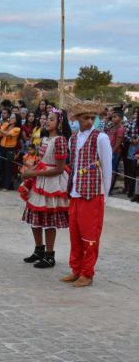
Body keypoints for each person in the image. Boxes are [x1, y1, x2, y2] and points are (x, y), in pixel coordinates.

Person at [61, 98, 112, 288]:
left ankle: (87, 273)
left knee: (90, 237)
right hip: (75, 194)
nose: (90, 121)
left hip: (92, 195)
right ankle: (76, 269)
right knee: (75, 234)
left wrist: (104, 195)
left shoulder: (101, 138)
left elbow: (107, 169)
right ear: (77, 119)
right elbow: (73, 166)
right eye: (86, 118)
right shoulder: (72, 139)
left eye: (93, 118)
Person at [19, 108, 71, 269]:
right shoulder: (45, 139)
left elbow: (59, 168)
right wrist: (30, 169)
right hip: (40, 179)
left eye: (52, 119)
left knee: (48, 219)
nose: (47, 121)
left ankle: (50, 255)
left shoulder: (60, 140)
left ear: (60, 122)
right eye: (47, 118)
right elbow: (41, 160)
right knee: (35, 217)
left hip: (52, 183)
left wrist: (34, 172)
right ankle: (38, 250)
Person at [0, 113, 22, 190]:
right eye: (11, 117)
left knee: (8, 168)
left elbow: (7, 134)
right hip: (1, 148)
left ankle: (6, 186)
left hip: (10, 149)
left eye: (13, 118)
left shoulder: (17, 129)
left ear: (17, 120)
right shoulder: (6, 124)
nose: (11, 119)